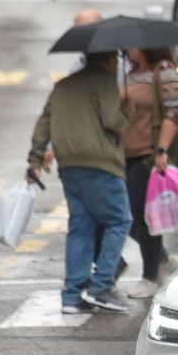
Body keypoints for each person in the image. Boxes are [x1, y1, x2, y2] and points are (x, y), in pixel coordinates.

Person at [27, 44, 134, 315]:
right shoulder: (105, 81)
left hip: (70, 166)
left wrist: (35, 160)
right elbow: (114, 122)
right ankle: (102, 287)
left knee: (81, 227)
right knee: (119, 220)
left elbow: (43, 123)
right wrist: (127, 109)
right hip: (101, 165)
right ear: (109, 58)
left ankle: (72, 296)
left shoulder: (62, 86)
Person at [121, 46, 178, 298]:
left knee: (143, 217)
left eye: (133, 46)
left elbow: (173, 111)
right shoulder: (128, 73)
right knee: (123, 216)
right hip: (122, 156)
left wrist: (161, 149)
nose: (128, 50)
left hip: (147, 156)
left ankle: (150, 276)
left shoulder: (165, 72)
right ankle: (162, 259)